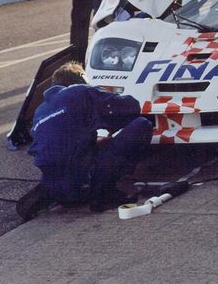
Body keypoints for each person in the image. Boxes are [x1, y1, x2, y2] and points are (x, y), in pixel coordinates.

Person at [16, 61, 153, 221]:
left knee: (68, 165)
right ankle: (106, 192)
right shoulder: (80, 91)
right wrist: (111, 121)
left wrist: (94, 141)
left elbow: (60, 144)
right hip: (88, 179)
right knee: (142, 124)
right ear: (81, 78)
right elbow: (131, 106)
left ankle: (56, 190)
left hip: (57, 187)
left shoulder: (40, 111)